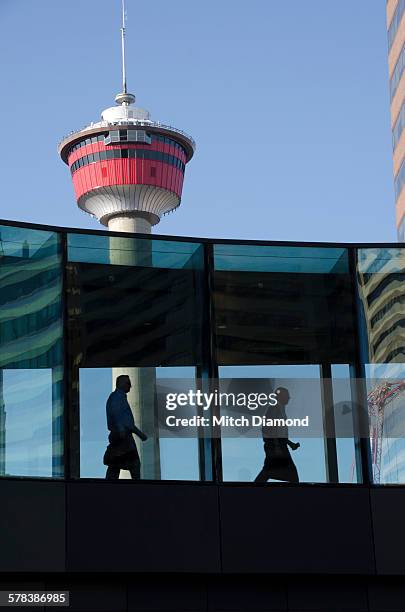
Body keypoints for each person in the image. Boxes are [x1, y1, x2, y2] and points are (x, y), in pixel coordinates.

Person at [104, 374, 148, 479]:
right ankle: (137, 489)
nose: (130, 386)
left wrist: (139, 434)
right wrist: (122, 430)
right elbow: (118, 415)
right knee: (132, 464)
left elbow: (126, 421)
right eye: (128, 383)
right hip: (122, 436)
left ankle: (107, 487)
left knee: (115, 464)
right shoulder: (117, 397)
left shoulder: (118, 397)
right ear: (121, 384)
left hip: (121, 435)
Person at [254, 387, 300, 483]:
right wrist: (277, 447)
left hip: (278, 445)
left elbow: (279, 432)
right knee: (292, 475)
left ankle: (252, 490)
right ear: (280, 397)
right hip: (276, 446)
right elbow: (270, 430)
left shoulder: (280, 410)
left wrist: (290, 444)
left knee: (269, 471)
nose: (288, 398)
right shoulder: (274, 409)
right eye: (286, 396)